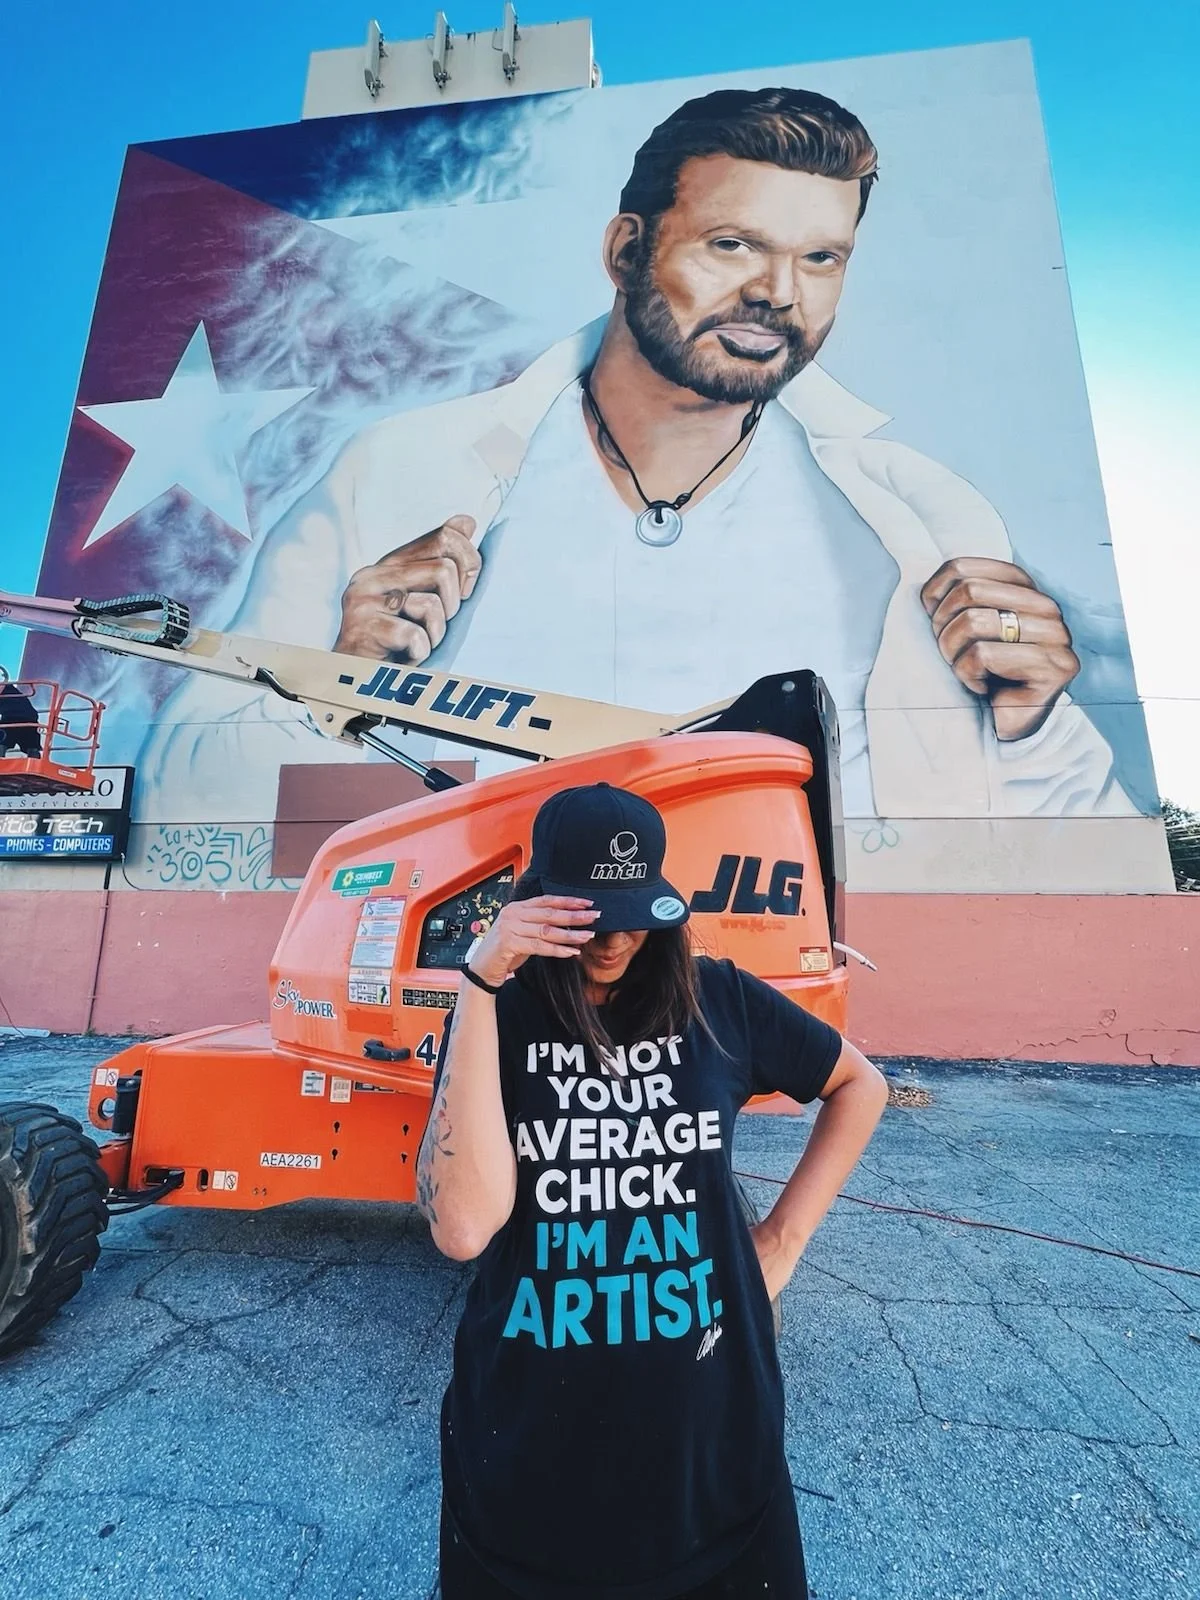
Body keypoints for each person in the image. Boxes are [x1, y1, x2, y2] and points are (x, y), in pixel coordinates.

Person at [137, 85, 1134, 825]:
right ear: (625, 250)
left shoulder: (918, 513)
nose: (779, 293)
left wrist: (1031, 721)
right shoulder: (403, 473)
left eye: (821, 258)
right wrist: (339, 678)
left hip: (783, 988)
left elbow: (1082, 838)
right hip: (498, 967)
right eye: (733, 245)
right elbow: (178, 787)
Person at [417, 782, 889, 1598]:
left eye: (634, 911)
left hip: (712, 1448)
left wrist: (782, 1240)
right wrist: (478, 983)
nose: (615, 937)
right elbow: (462, 1228)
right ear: (537, 902)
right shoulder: (502, 1014)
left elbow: (860, 1086)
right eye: (588, 915)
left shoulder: (719, 999)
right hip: (529, 1453)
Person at [0, 673, 42, 758]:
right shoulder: (9, 689)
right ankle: (34, 762)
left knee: (2, 741)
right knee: (32, 747)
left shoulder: (5, 688)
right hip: (29, 718)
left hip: (13, 719)